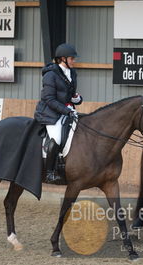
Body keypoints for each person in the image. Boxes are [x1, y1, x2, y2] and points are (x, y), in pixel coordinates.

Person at [34, 43, 83, 183]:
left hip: (67, 111)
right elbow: (48, 99)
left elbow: (70, 94)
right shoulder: (50, 75)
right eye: (72, 58)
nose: (74, 61)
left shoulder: (72, 73)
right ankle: (50, 172)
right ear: (63, 59)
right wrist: (67, 111)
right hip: (50, 113)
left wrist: (77, 99)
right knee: (56, 138)